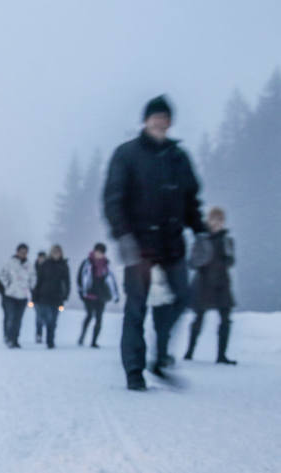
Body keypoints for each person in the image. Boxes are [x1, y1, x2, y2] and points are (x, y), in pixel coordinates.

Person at [103, 95, 207, 391]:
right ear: (145, 120)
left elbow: (191, 201)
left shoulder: (179, 158)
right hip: (139, 249)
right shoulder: (127, 154)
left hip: (172, 246)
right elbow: (113, 199)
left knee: (181, 298)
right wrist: (123, 235)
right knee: (136, 309)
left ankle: (160, 358)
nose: (159, 121)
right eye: (154, 116)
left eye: (164, 117)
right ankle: (134, 371)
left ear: (170, 122)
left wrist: (200, 232)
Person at [184, 207, 237, 364]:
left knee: (226, 319)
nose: (217, 223)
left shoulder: (227, 240)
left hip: (222, 283)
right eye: (215, 219)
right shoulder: (201, 239)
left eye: (220, 220)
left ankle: (221, 355)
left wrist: (227, 256)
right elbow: (192, 262)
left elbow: (231, 261)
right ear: (209, 220)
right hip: (203, 283)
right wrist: (204, 258)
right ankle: (189, 352)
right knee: (198, 319)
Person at [77, 243, 119, 348]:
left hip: (101, 295)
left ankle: (94, 341)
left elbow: (111, 280)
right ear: (94, 251)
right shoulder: (87, 263)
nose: (99, 254)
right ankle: (82, 336)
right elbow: (80, 278)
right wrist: (81, 292)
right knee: (90, 315)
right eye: (98, 251)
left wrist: (115, 294)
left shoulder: (106, 264)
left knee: (99, 318)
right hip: (89, 295)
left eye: (101, 252)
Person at [0, 243, 36, 348]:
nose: (23, 254)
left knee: (18, 319)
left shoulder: (29, 265)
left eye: (25, 252)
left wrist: (30, 288)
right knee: (10, 317)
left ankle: (15, 339)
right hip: (10, 296)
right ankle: (8, 337)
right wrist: (7, 287)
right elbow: (1, 276)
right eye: (21, 251)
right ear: (17, 252)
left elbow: (33, 278)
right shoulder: (10, 263)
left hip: (22, 297)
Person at [32, 246, 70, 348]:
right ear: (51, 253)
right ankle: (44, 337)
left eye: (58, 252)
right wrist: (35, 295)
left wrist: (66, 295)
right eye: (54, 252)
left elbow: (67, 282)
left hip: (58, 297)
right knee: (46, 318)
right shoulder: (45, 265)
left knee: (54, 320)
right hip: (44, 296)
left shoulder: (64, 266)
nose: (56, 254)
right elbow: (38, 280)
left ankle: (50, 339)